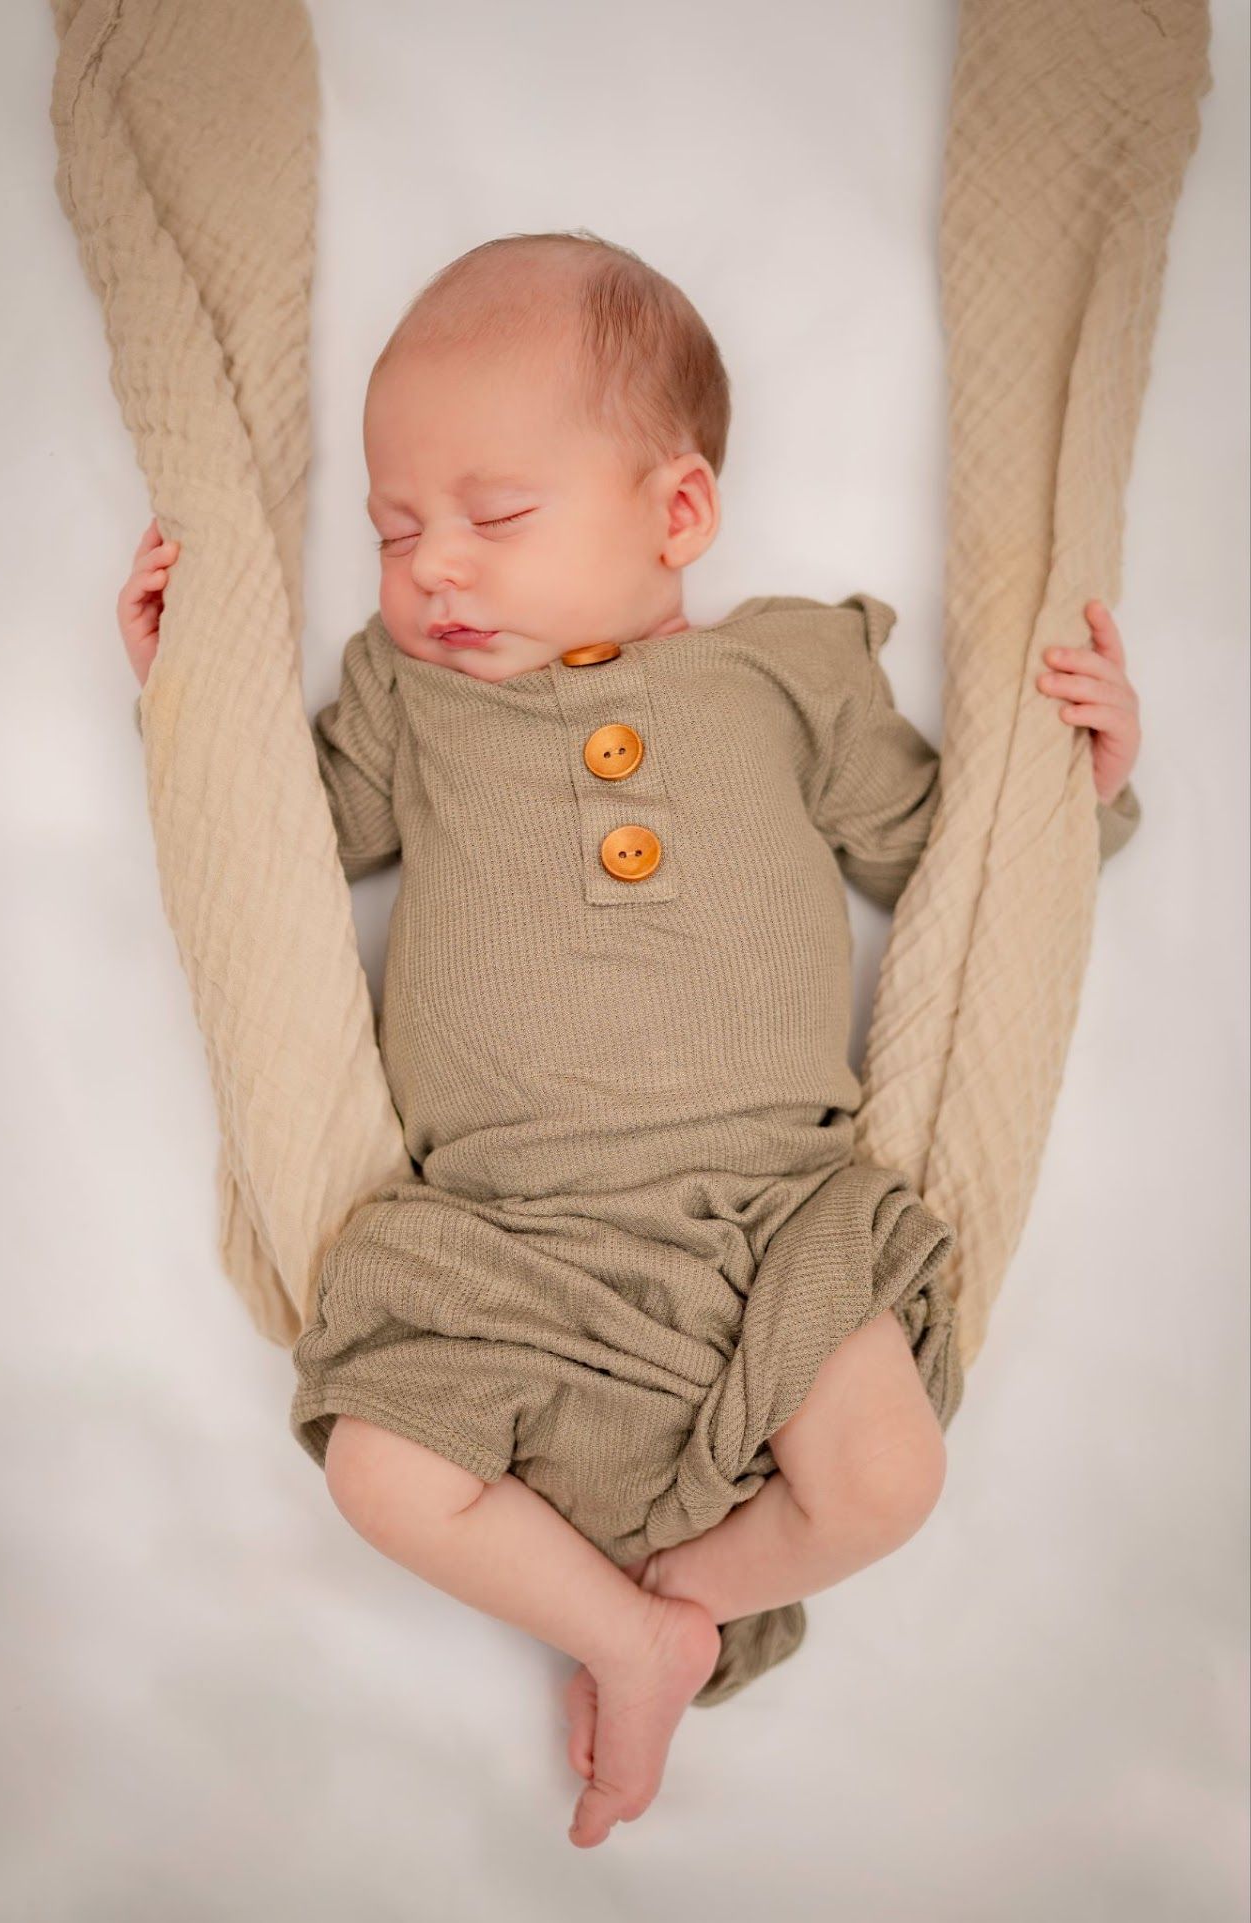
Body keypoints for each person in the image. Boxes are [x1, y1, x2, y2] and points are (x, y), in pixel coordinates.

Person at [116, 230, 1142, 1851]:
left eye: (493, 517)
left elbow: (964, 864)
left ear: (677, 513)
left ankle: (678, 1596)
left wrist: (1079, 780)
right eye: (396, 532)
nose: (435, 566)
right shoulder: (406, 701)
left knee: (888, 1479)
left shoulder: (789, 673)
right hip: (507, 1244)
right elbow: (269, 840)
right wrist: (190, 695)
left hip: (774, 1223)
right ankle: (628, 1637)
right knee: (377, 1467)